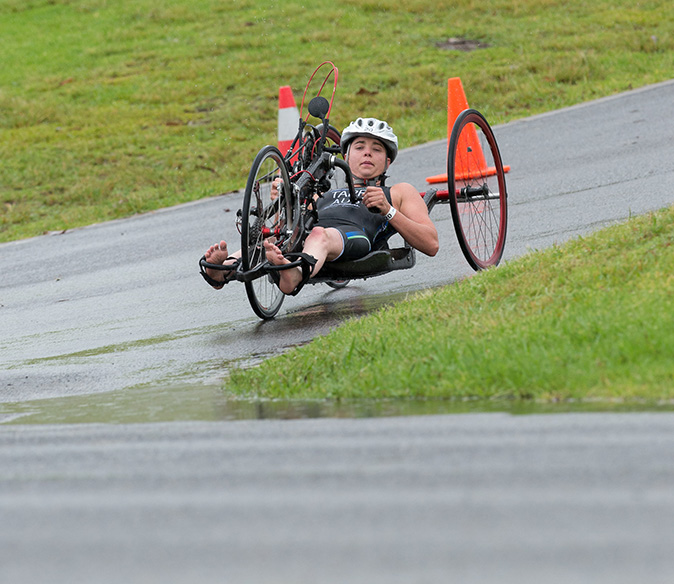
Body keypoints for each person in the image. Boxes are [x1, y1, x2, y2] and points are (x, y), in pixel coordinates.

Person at [202, 117, 439, 295]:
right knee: (274, 240)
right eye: (359, 147)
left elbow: (431, 244)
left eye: (376, 149)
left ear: (387, 161)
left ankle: (293, 275)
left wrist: (388, 210)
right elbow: (292, 224)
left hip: (353, 238)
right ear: (346, 157)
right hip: (311, 236)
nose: (367, 153)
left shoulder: (398, 192)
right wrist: (283, 200)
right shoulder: (324, 191)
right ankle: (223, 268)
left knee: (319, 234)